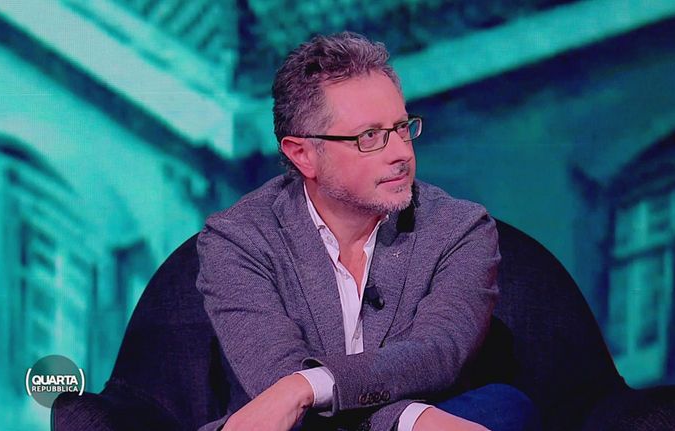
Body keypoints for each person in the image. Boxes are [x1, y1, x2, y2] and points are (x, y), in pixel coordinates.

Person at [196, 32, 540, 431]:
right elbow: (279, 393)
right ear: (303, 154)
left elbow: (435, 353)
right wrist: (409, 419)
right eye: (369, 137)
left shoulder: (459, 230)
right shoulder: (238, 240)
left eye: (402, 127)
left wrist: (306, 386)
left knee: (504, 408)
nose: (401, 153)